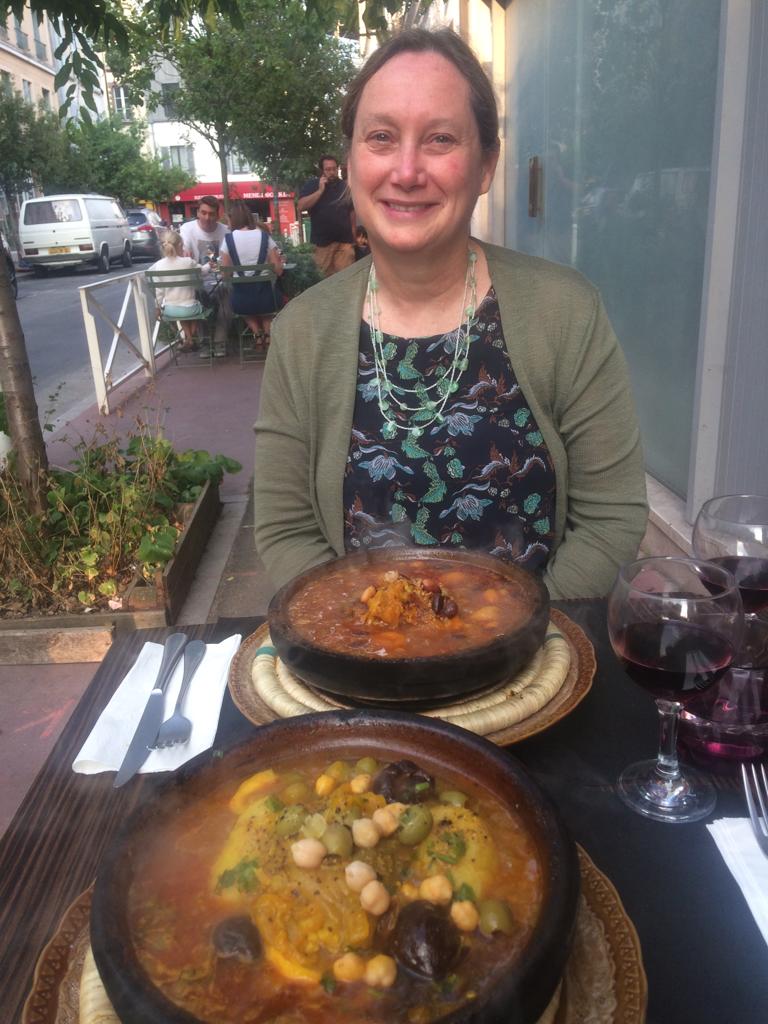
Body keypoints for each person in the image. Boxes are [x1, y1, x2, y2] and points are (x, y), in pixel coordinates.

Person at [253, 28, 648, 600]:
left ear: (485, 166)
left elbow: (610, 519)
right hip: (363, 646)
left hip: (543, 648)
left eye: (440, 139)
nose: (406, 171)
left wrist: (527, 637)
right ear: (351, 163)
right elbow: (286, 529)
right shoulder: (302, 332)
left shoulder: (566, 312)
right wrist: (367, 634)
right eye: (381, 137)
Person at [219, 200, 284, 345]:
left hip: (241, 302)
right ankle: (268, 334)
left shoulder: (228, 240)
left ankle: (257, 334)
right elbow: (278, 270)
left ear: (233, 219)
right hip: (268, 300)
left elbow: (225, 274)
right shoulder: (264, 236)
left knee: (243, 304)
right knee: (265, 306)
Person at [180, 195, 229, 355]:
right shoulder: (188, 229)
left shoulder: (225, 231)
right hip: (198, 279)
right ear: (198, 213)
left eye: (211, 214)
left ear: (217, 215)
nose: (207, 217)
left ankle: (220, 341)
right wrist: (184, 252)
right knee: (197, 296)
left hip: (219, 278)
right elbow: (185, 248)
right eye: (204, 213)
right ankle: (205, 343)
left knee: (227, 297)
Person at [297, 155, 356, 277]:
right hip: (322, 244)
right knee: (324, 280)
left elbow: (351, 212)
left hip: (344, 242)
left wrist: (353, 234)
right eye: (328, 169)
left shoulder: (344, 186)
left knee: (347, 279)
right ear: (322, 171)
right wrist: (320, 191)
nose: (332, 172)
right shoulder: (313, 185)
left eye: (334, 169)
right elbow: (301, 206)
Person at [148, 230, 204, 351]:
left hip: (171, 310)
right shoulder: (187, 262)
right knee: (195, 308)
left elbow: (159, 291)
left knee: (181, 312)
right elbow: (203, 271)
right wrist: (210, 265)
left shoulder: (158, 266)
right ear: (180, 245)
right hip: (191, 308)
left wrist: (157, 308)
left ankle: (189, 340)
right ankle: (192, 339)